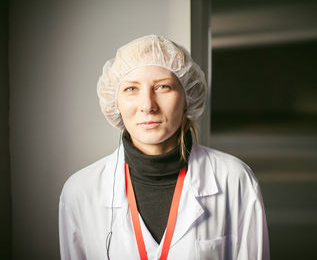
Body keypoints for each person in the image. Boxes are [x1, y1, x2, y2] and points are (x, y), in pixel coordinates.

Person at [59, 35, 269, 260]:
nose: (148, 105)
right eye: (131, 89)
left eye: (163, 87)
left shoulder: (234, 179)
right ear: (115, 101)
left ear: (187, 96)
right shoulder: (80, 191)